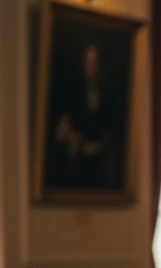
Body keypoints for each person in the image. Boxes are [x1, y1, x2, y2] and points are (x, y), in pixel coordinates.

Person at [48, 44, 122, 189]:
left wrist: (99, 145)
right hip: (77, 151)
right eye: (88, 62)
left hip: (100, 151)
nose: (91, 66)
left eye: (95, 62)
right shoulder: (73, 89)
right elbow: (65, 123)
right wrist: (78, 142)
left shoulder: (107, 91)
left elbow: (111, 124)